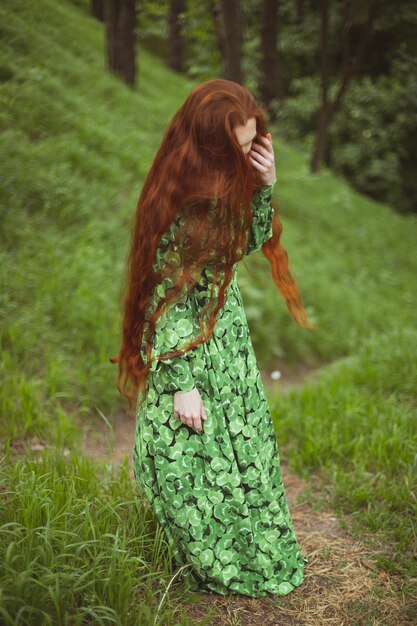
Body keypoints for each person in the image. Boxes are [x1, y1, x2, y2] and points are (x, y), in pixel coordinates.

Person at [110, 78, 315, 597]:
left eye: (253, 144)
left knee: (240, 446)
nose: (251, 156)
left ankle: (248, 542)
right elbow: (162, 299)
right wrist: (182, 382)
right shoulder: (180, 203)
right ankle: (198, 560)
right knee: (193, 455)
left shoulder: (223, 184)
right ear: (212, 149)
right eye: (242, 148)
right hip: (187, 350)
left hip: (225, 338)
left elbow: (241, 244)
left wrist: (265, 185)